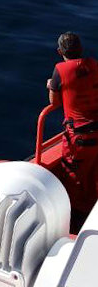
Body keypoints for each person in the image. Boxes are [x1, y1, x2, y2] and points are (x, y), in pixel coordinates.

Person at [47, 32, 98, 222]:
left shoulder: (60, 70)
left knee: (73, 177)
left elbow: (54, 100)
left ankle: (76, 222)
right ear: (81, 49)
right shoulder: (94, 64)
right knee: (94, 174)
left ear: (60, 51)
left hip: (78, 137)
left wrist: (52, 85)